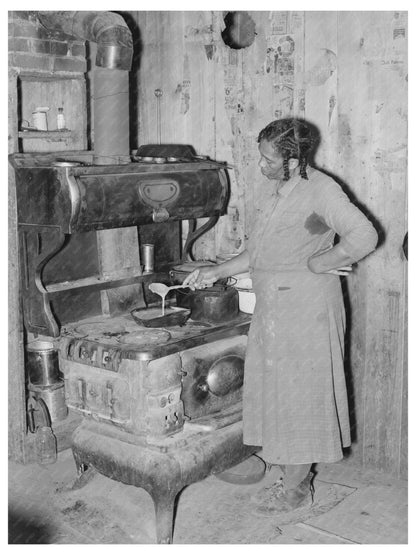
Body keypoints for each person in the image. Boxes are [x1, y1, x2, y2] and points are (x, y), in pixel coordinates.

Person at [183, 118, 378, 514]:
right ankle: (290, 472)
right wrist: (216, 271)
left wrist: (323, 262)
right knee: (278, 394)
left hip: (308, 309)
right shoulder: (278, 191)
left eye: (269, 160)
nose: (262, 166)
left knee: (302, 398)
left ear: (294, 159)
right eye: (262, 158)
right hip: (275, 307)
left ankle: (296, 488)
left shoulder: (322, 190)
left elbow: (365, 235)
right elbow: (260, 252)